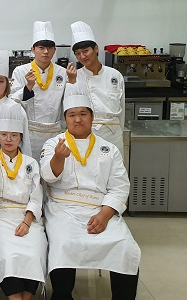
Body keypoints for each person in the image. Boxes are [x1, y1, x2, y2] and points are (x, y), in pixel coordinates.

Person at [40, 94, 140, 300]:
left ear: (92, 118)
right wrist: (58, 157)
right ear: (65, 119)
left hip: (101, 207)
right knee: (64, 242)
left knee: (124, 245)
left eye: (83, 114)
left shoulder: (108, 149)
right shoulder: (53, 144)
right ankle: (62, 295)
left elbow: (120, 186)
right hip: (63, 207)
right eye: (72, 115)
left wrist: (104, 216)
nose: (78, 119)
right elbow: (47, 177)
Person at [0, 103, 46, 300]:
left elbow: (36, 196)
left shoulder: (31, 163)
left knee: (35, 251)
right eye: (4, 135)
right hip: (0, 216)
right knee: (8, 254)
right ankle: (15, 297)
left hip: (28, 217)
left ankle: (26, 297)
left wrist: (27, 222)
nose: (8, 139)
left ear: (21, 138)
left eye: (14, 135)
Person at [10, 21, 70, 160]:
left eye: (49, 48)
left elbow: (67, 104)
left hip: (56, 133)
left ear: (54, 50)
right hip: (30, 133)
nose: (45, 52)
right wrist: (28, 87)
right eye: (41, 47)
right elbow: (12, 103)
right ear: (33, 49)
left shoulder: (63, 72)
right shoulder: (21, 71)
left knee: (54, 172)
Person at [65, 21, 126, 157]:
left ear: (96, 49)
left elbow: (122, 111)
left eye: (85, 51)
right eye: (78, 54)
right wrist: (72, 82)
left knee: (114, 172)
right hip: (87, 133)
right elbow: (70, 109)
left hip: (113, 133)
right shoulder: (75, 76)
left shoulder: (115, 75)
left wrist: (118, 131)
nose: (82, 57)